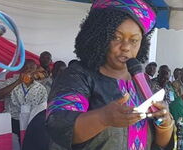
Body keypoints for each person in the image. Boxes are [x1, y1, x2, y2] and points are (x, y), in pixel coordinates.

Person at [46, 1, 175, 150]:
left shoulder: (147, 84)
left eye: (134, 41)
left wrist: (165, 125)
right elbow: (60, 125)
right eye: (117, 37)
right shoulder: (77, 77)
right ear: (99, 38)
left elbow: (161, 144)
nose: (126, 47)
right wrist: (103, 118)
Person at [0, 59, 48, 140]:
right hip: (13, 120)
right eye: (26, 68)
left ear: (36, 70)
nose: (29, 70)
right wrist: (18, 82)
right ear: (20, 69)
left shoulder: (41, 88)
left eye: (32, 68)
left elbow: (43, 109)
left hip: (31, 121)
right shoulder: (10, 82)